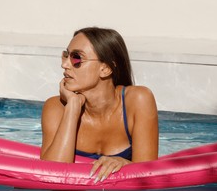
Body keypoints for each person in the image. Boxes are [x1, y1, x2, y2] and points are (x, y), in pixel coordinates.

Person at [40, 27, 159, 183]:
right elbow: (50, 177)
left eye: (76, 58)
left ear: (105, 68)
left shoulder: (138, 100)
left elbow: (149, 177)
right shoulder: (56, 108)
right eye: (65, 55)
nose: (65, 64)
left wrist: (125, 164)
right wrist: (73, 107)